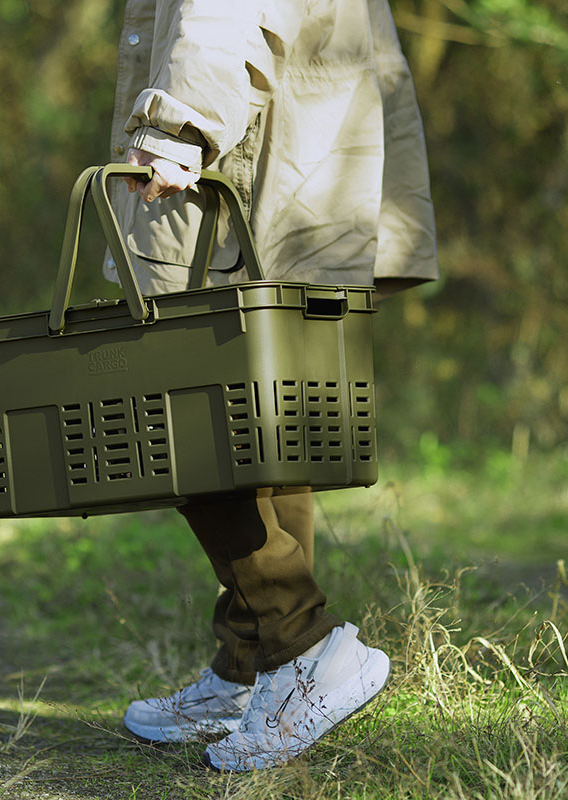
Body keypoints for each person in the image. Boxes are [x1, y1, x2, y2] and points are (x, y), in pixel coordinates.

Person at [104, 0, 438, 772]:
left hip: (242, 163)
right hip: (307, 158)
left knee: (184, 418)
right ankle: (250, 668)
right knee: (263, 424)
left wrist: (180, 127)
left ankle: (300, 644)